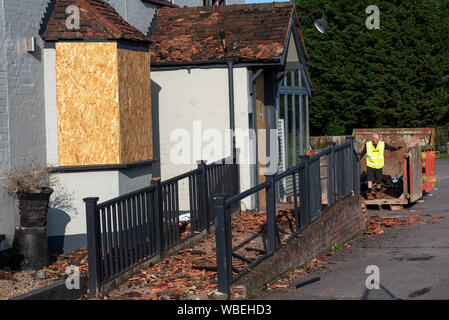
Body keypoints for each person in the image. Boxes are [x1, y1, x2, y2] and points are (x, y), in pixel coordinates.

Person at [360, 133, 403, 198]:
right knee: (369, 178)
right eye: (376, 139)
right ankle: (369, 193)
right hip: (370, 165)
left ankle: (378, 192)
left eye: (378, 139)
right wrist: (357, 159)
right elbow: (363, 153)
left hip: (379, 165)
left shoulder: (382, 144)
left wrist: (396, 148)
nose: (377, 140)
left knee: (379, 180)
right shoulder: (368, 145)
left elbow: (390, 148)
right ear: (372, 139)